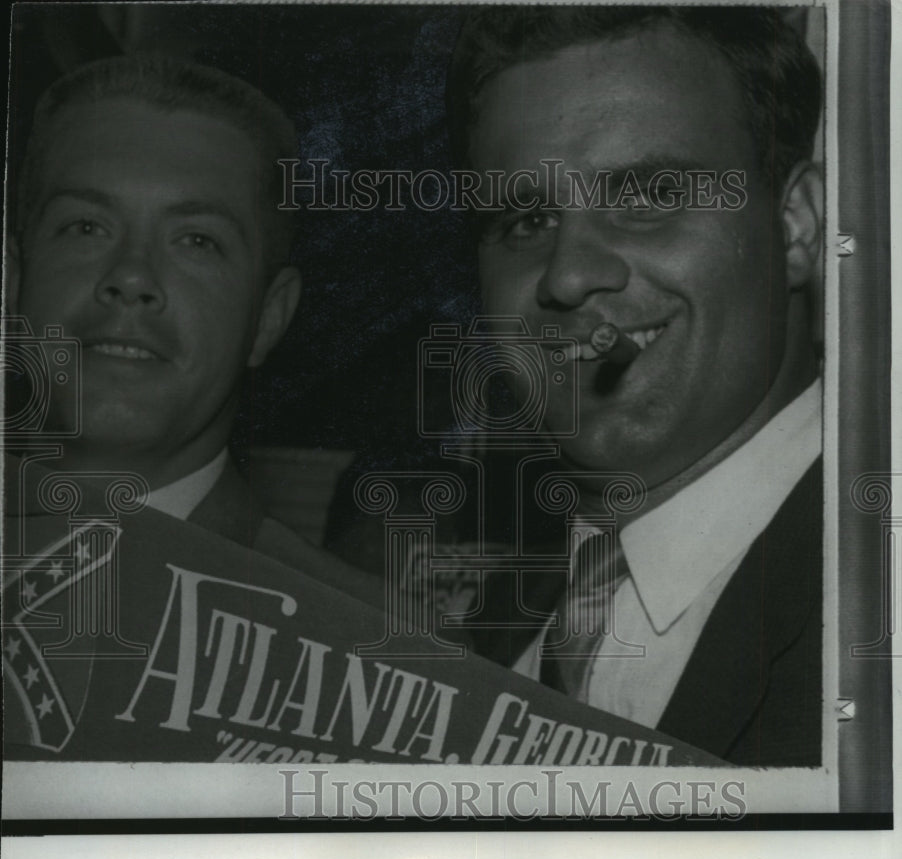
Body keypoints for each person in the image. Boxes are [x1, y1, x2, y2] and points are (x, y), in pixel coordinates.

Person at [446, 6, 825, 766]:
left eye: (647, 196)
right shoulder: (494, 620)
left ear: (795, 225)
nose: (568, 273)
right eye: (526, 219)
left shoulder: (870, 595)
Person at [6, 53, 379, 605]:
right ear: (12, 281)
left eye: (197, 241)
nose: (131, 277)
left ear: (268, 317)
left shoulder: (377, 651)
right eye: (86, 227)